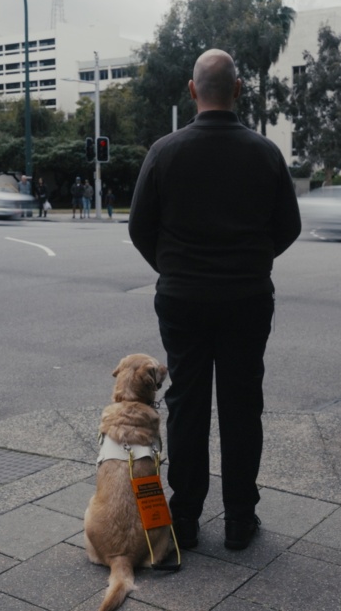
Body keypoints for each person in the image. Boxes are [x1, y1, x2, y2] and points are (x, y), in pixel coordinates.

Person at [128, 49, 301, 552]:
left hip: (183, 299)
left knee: (186, 405)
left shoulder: (164, 151)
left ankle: (184, 518)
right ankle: (240, 519)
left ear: (191, 90)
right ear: (239, 89)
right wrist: (251, 261)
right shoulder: (264, 153)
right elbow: (287, 227)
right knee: (243, 405)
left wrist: (175, 269)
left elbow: (140, 228)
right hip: (247, 297)